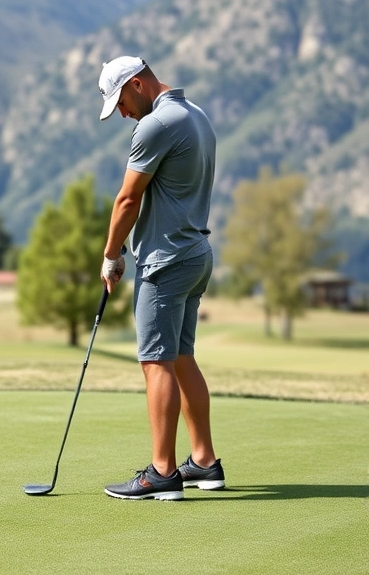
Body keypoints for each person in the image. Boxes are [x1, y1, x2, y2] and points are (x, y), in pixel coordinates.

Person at [95, 56, 226, 501]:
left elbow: (127, 200)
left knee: (156, 361)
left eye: (122, 103)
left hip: (165, 262)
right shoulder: (197, 116)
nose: (123, 114)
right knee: (181, 357)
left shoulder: (156, 125)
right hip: (195, 254)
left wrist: (111, 254)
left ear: (136, 83)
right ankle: (205, 463)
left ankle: (162, 473)